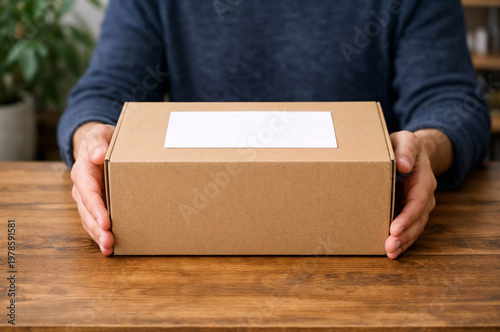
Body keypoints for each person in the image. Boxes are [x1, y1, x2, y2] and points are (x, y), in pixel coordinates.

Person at [57, 0, 491, 259]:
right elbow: (103, 94)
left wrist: (425, 150)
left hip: (368, 243)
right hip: (190, 236)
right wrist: (91, 140)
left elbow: (453, 102)